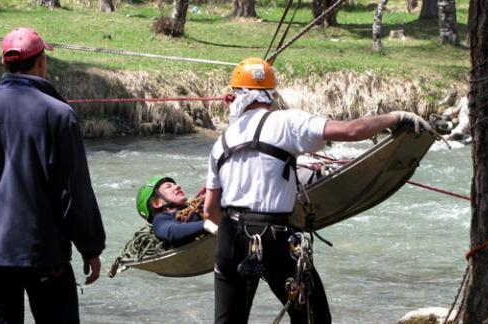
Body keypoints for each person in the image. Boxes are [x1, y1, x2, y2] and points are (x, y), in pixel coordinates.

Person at [203, 57, 434, 324]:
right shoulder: (286, 122)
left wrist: (239, 237)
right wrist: (396, 117)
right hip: (274, 237)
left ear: (235, 95)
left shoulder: (221, 142)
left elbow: (210, 210)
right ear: (271, 94)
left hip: (231, 238)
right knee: (313, 318)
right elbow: (350, 130)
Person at [0, 27, 106, 323]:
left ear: (4, 64)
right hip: (45, 255)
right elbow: (74, 192)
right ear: (41, 62)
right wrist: (90, 247)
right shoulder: (59, 115)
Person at [136, 176, 218, 246]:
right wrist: (206, 224)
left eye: (174, 184)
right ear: (156, 203)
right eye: (168, 187)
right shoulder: (161, 219)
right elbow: (171, 232)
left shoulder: (194, 206)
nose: (178, 186)